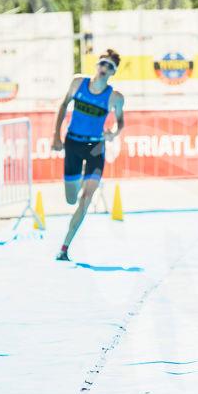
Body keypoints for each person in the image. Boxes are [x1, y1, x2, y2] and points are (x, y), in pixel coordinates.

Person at [51, 50, 125, 261]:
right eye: (103, 63)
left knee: (85, 199)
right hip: (73, 143)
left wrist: (113, 133)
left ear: (113, 72)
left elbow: (120, 122)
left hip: (95, 147)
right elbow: (63, 105)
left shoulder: (115, 97)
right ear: (97, 65)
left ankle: (64, 247)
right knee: (71, 199)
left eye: (110, 67)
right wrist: (56, 136)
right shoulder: (78, 83)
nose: (105, 68)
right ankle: (80, 178)